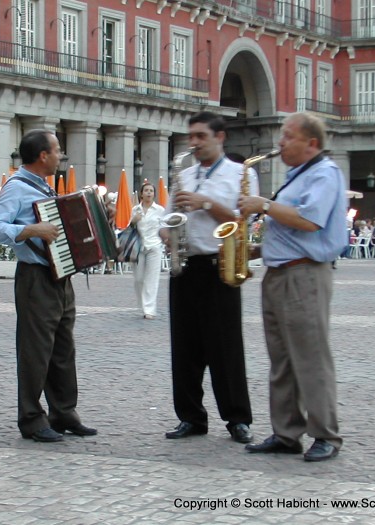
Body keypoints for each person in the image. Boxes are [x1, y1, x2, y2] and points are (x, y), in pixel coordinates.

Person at [238, 112, 346, 462]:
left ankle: (325, 434)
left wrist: (264, 205)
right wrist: (256, 249)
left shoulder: (324, 174)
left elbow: (309, 220)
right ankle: (286, 432)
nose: (280, 144)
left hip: (305, 275)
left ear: (311, 143)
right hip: (281, 273)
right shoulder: (296, 176)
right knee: (281, 359)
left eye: (288, 137)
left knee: (311, 357)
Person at [0, 129, 97, 443]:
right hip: (35, 278)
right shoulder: (17, 188)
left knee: (63, 349)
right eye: (57, 150)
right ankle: (32, 419)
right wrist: (30, 229)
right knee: (35, 352)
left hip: (60, 275)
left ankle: (64, 412)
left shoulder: (45, 187)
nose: (61, 155)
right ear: (43, 156)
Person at [159, 111, 254, 444]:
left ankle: (237, 418)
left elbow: (242, 220)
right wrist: (165, 231)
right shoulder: (183, 175)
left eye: (201, 136)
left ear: (220, 137)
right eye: (192, 137)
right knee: (184, 347)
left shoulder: (242, 174)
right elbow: (170, 217)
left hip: (221, 265)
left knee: (225, 346)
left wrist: (206, 203)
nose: (194, 143)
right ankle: (190, 417)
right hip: (185, 264)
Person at [131, 182, 165, 319]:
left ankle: (149, 309)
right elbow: (130, 227)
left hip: (154, 246)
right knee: (139, 279)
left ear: (154, 194)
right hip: (139, 247)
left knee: (151, 279)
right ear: (141, 193)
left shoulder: (160, 210)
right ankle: (143, 304)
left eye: (151, 191)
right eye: (146, 190)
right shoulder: (135, 209)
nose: (149, 193)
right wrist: (134, 220)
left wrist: (165, 242)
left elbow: (164, 227)